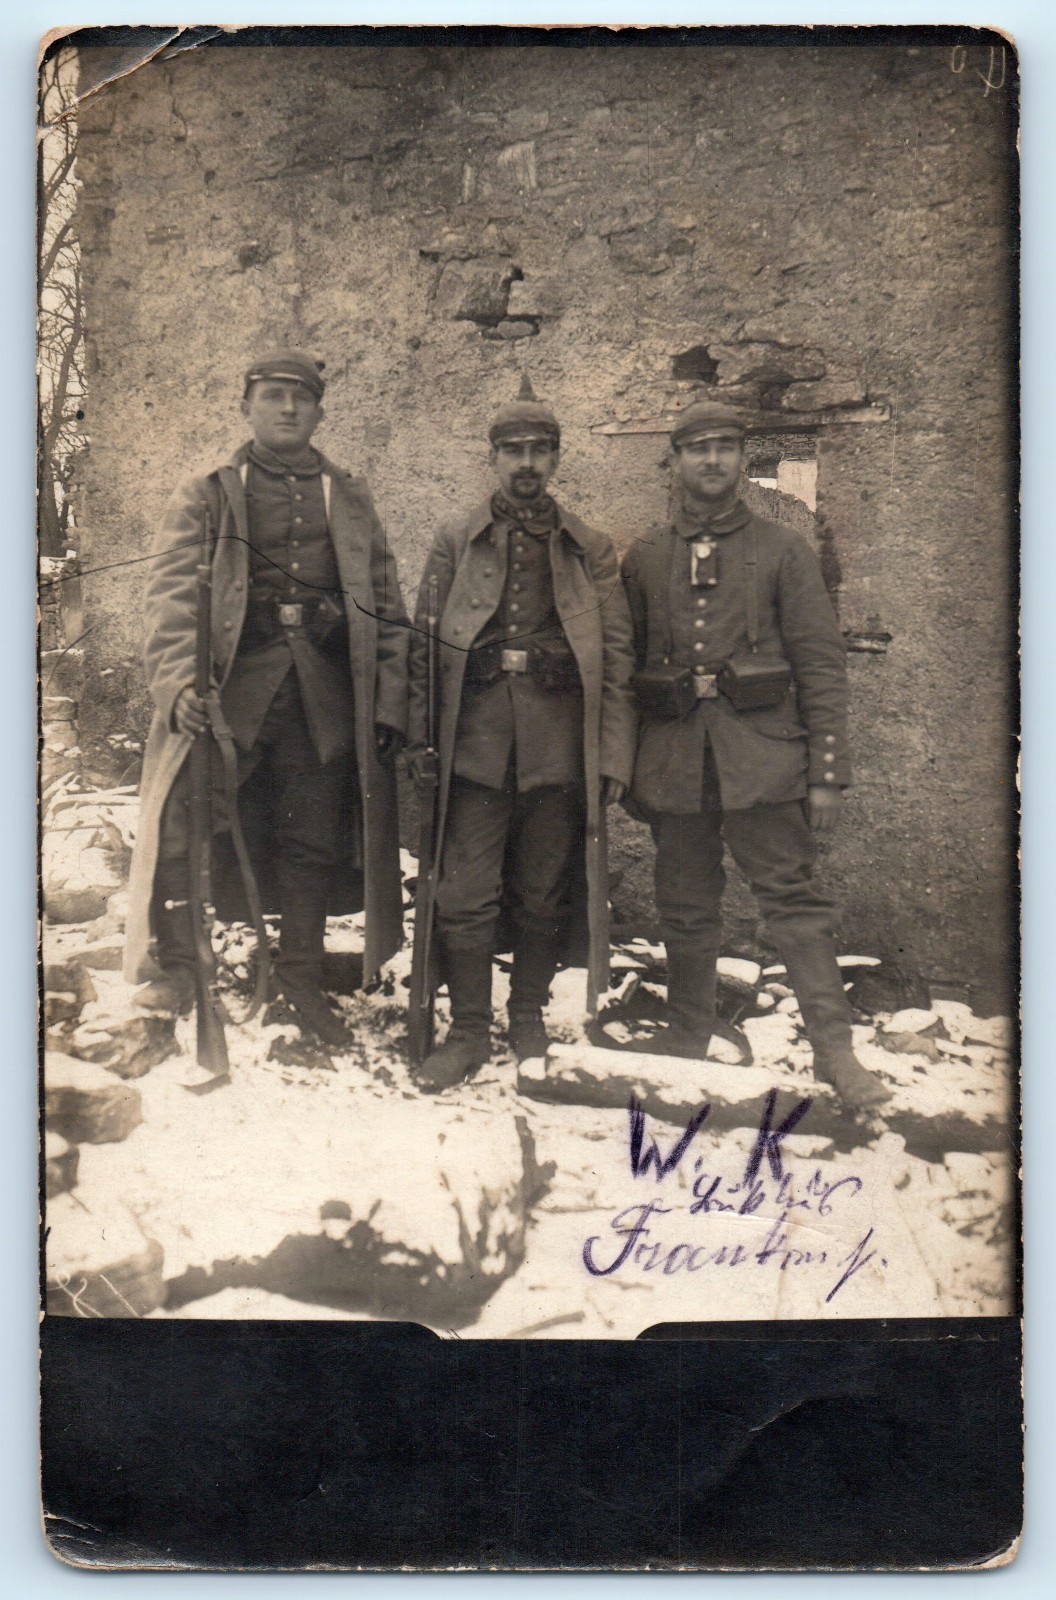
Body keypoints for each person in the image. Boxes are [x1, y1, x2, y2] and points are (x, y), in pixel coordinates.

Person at [123, 348, 410, 1047]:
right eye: (274, 396)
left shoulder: (350, 495)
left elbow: (386, 605)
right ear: (247, 405)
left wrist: (389, 703)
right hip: (230, 695)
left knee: (310, 839)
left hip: (322, 697)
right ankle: (187, 965)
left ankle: (301, 977)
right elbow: (166, 604)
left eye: (301, 399)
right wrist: (179, 686)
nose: (288, 409)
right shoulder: (209, 493)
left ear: (318, 410)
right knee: (192, 827)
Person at [620, 398, 891, 1110]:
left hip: (766, 762)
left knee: (796, 904)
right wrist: (627, 767)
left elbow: (820, 668)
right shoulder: (646, 556)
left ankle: (836, 1054)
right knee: (682, 902)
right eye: (696, 448)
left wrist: (826, 773)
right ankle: (686, 1035)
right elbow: (629, 668)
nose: (711, 460)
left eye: (725, 447)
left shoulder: (783, 552)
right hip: (677, 761)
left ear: (745, 460)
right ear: (674, 462)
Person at [407, 377, 637, 1090]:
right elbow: (420, 645)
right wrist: (420, 738)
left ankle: (529, 1017)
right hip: (473, 748)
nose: (526, 463)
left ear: (558, 458)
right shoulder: (455, 539)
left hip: (556, 749)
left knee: (542, 893)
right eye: (513, 450)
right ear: (493, 458)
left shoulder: (590, 548)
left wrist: (611, 755)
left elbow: (619, 656)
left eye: (540, 449)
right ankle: (470, 1029)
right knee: (463, 894)